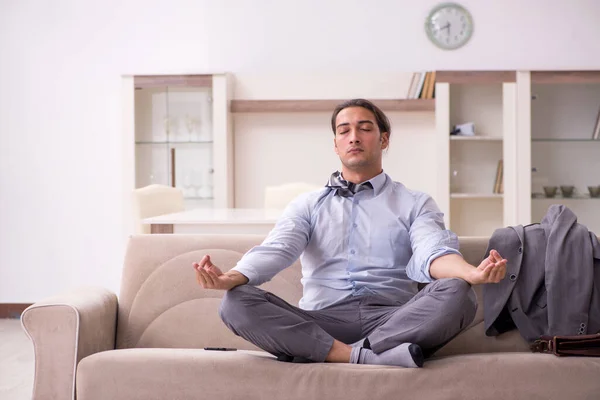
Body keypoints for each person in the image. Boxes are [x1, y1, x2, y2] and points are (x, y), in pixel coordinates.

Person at [193, 98, 507, 368]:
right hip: (320, 320)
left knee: (457, 292)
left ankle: (331, 354)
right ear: (335, 144)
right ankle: (368, 356)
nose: (353, 136)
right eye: (344, 131)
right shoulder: (308, 204)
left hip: (393, 319)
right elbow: (278, 250)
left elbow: (432, 250)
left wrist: (470, 273)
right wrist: (231, 278)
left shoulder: (415, 202)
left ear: (384, 140)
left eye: (365, 128)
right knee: (235, 303)